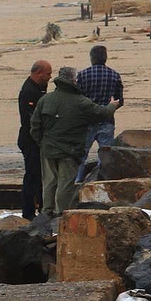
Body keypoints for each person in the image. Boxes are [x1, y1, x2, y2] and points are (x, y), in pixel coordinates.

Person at [30, 65, 120, 217]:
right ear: (74, 81)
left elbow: (34, 126)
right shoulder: (80, 102)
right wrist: (112, 105)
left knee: (49, 183)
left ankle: (46, 213)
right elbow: (102, 113)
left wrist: (42, 143)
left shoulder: (45, 99)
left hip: (48, 149)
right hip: (69, 151)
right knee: (65, 185)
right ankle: (60, 215)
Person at [75, 44, 123, 182]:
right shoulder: (114, 75)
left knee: (81, 155)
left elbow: (77, 99)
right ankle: (102, 181)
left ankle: (77, 182)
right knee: (105, 157)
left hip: (86, 122)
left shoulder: (82, 75)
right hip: (107, 121)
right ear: (105, 58)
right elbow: (120, 100)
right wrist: (109, 108)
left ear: (91, 58)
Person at [17, 60, 51, 219]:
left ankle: (42, 208)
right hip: (30, 140)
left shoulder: (40, 88)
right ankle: (28, 212)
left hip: (36, 139)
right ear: (39, 73)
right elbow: (31, 120)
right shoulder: (29, 91)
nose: (50, 77)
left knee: (39, 176)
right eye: (48, 74)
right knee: (32, 175)